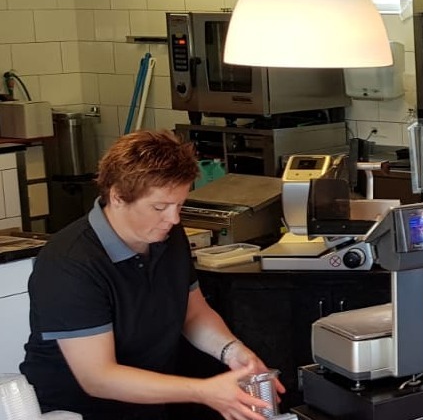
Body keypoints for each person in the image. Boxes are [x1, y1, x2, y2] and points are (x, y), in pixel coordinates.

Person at [22, 131, 279, 420]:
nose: (174, 218)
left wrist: (233, 351)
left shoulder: (167, 235)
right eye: (160, 207)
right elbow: (98, 377)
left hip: (148, 404)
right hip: (76, 413)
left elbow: (193, 312)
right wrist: (204, 391)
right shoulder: (70, 263)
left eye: (179, 205)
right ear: (118, 197)